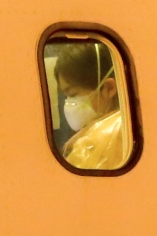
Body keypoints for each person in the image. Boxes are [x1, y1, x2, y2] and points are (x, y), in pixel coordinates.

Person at [54, 42, 127, 170]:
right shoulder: (130, 127)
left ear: (108, 88)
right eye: (67, 96)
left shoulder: (96, 142)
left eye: (73, 94)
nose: (68, 104)